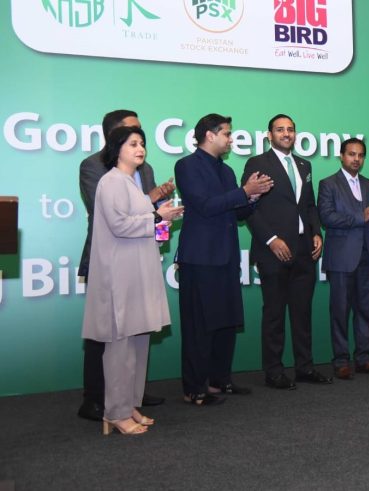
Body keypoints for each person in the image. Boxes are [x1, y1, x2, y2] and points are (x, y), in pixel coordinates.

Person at [82, 126, 183, 435]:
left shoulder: (132, 183)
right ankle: (114, 412)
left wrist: (162, 219)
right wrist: (157, 217)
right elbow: (119, 225)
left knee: (138, 345)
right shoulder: (111, 181)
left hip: (140, 273)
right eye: (133, 144)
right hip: (120, 276)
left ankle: (129, 405)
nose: (140, 149)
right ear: (117, 149)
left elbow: (145, 226)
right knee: (120, 349)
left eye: (142, 144)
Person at [175, 114, 273, 405]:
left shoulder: (227, 170)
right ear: (209, 135)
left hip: (226, 255)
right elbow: (205, 206)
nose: (231, 139)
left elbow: (237, 212)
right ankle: (195, 388)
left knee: (226, 321)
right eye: (227, 134)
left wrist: (252, 198)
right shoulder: (187, 166)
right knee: (199, 325)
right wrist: (244, 192)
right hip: (200, 257)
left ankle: (220, 380)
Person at [242, 114, 330, 389]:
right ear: (269, 135)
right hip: (273, 252)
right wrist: (271, 240)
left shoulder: (304, 165)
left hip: (304, 251)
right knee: (274, 314)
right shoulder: (257, 163)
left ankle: (305, 367)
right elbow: (249, 208)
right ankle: (274, 371)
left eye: (290, 129)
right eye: (280, 130)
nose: (286, 133)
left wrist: (316, 232)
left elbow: (309, 205)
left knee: (302, 314)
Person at [317, 138, 369, 380]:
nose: (356, 159)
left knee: (365, 311)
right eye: (351, 154)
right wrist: (362, 216)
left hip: (366, 257)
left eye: (360, 155)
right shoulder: (328, 184)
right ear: (341, 156)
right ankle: (340, 362)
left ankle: (364, 359)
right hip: (341, 259)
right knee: (339, 312)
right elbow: (327, 217)